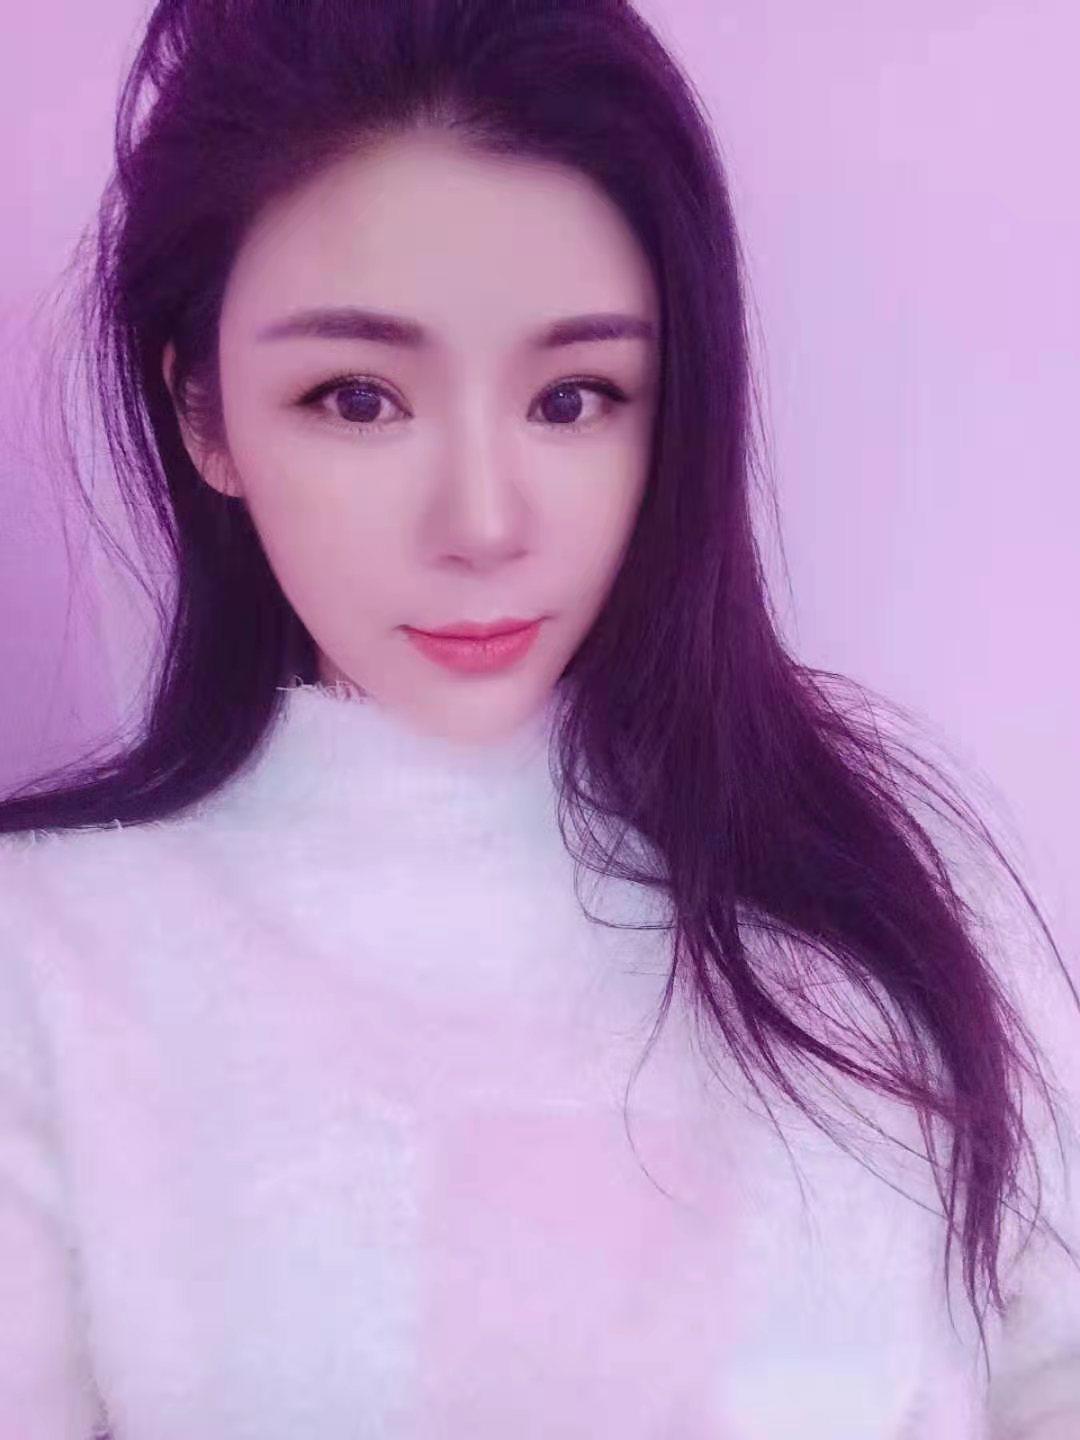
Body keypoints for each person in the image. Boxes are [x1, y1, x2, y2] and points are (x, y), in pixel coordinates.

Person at [2, 1, 1078, 1436]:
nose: (484, 523)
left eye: (573, 398)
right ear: (206, 414)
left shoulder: (885, 877)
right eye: (358, 398)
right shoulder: (50, 962)